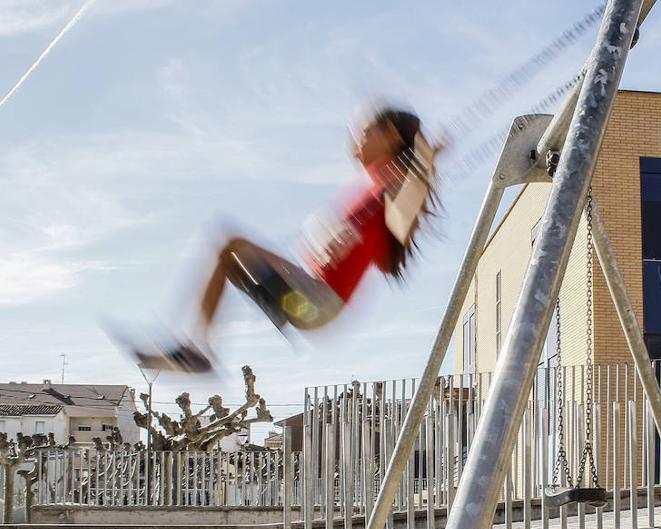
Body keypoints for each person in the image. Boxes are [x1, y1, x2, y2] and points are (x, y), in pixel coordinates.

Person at [131, 104, 439, 373]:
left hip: (319, 303)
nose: (356, 136)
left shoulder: (395, 184)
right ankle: (196, 351)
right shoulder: (374, 183)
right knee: (229, 250)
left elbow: (403, 221)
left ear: (390, 136)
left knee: (230, 243)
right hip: (310, 288)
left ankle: (196, 352)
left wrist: (424, 168)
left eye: (366, 130)